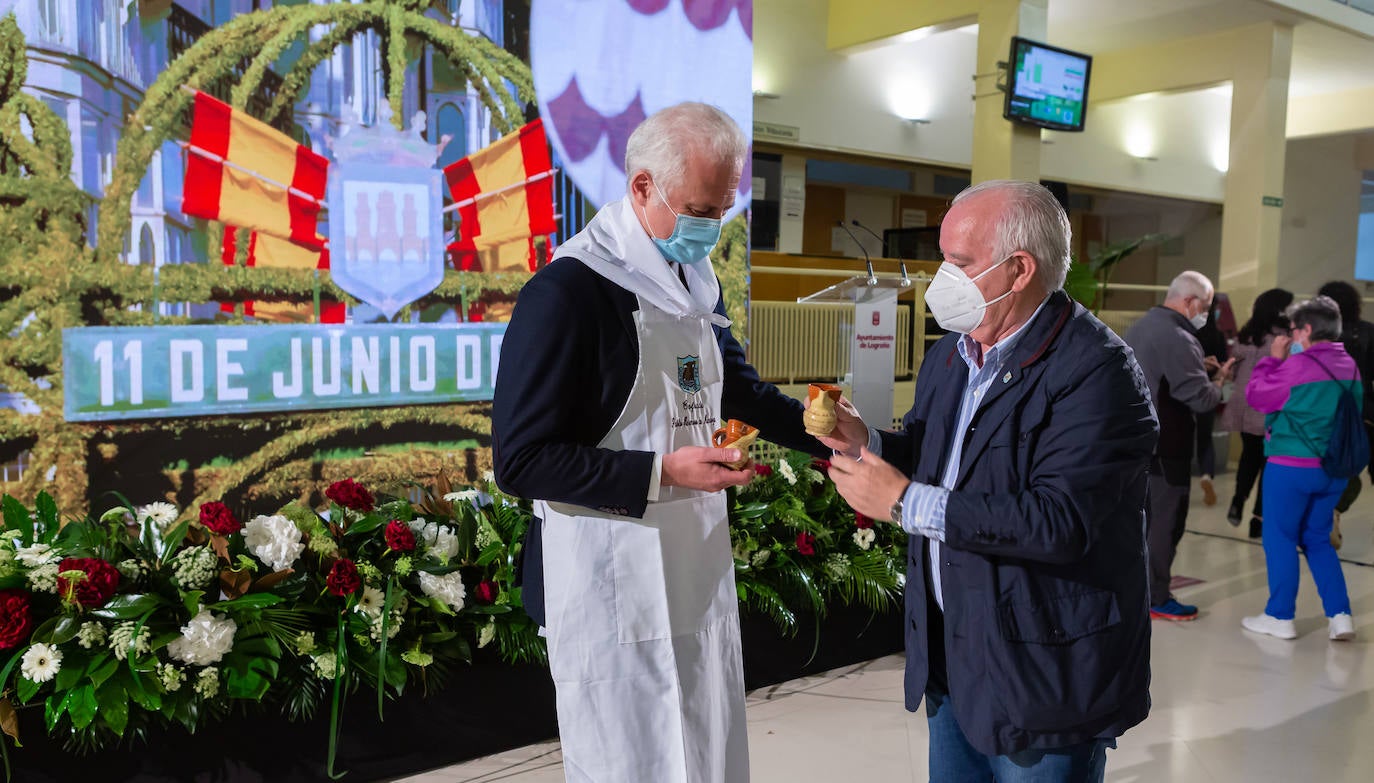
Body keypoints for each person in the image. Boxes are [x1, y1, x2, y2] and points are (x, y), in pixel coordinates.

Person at [491, 102, 825, 782]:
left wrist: (831, 434)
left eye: (722, 209)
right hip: (608, 578)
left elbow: (739, 392)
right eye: (699, 208)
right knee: (631, 758)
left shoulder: (692, 281)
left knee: (705, 743)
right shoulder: (570, 292)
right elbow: (520, 459)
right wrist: (663, 472)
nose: (710, 228)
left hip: (693, 571)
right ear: (642, 187)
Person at [819, 180, 1158, 782]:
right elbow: (936, 457)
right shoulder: (953, 355)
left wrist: (900, 501)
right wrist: (867, 441)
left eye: (959, 263)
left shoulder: (1099, 373)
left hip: (1044, 674)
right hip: (956, 655)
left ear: (1019, 269)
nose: (940, 279)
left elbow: (1060, 521)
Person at [1240, 295, 1358, 641]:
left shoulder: (1298, 365)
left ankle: (1279, 616)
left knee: (1280, 537)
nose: (1290, 336)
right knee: (1318, 539)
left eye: (1293, 329)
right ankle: (1340, 615)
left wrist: (1272, 360)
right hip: (1334, 468)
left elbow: (1258, 396)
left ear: (1306, 330)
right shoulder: (1349, 364)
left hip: (1291, 465)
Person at [1123, 271, 1235, 620]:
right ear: (1190, 302)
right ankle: (1156, 596)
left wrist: (1197, 367)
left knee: (1141, 523)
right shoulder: (1180, 337)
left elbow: (1158, 373)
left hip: (1136, 442)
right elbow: (1200, 398)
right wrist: (1220, 382)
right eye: (1206, 306)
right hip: (1167, 445)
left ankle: (1137, 591)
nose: (1208, 315)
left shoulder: (1141, 326)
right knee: (1166, 524)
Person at [1220, 288, 1295, 539]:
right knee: (1268, 463)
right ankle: (1258, 519)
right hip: (1267, 405)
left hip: (1242, 404)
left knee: (1248, 456)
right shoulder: (1283, 337)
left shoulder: (1247, 333)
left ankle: (1238, 500)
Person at [1315, 281, 1374, 549]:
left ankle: (1323, 513)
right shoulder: (1367, 332)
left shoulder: (1315, 334)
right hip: (1360, 414)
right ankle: (1334, 508)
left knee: (1324, 469)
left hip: (1321, 413)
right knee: (1352, 470)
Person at [1194, 302, 1229, 507]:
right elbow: (1223, 364)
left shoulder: (1188, 333)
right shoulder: (1217, 335)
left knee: (1183, 436)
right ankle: (1206, 474)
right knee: (1205, 436)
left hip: (1184, 390)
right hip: (1208, 388)